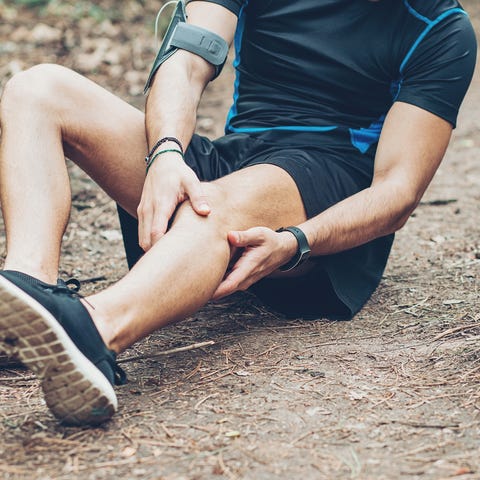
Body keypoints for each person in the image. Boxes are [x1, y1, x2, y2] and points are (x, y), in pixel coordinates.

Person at [0, 0, 476, 425]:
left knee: (220, 203)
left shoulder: (440, 26)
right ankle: (25, 297)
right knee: (38, 89)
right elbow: (184, 65)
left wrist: (298, 239)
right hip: (236, 157)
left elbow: (398, 190)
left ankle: (92, 333)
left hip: (326, 185)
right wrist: (166, 152)